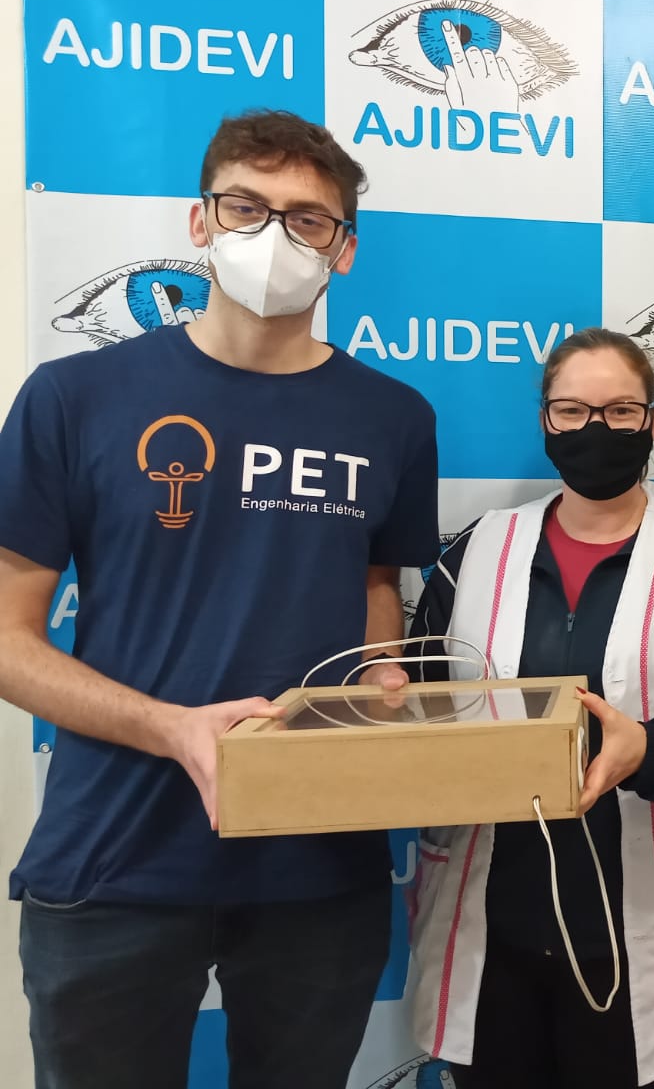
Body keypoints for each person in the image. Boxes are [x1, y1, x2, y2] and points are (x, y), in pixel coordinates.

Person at [0, 109, 440, 1088]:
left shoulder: (395, 419)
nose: (273, 235)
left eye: (307, 218)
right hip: (116, 854)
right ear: (200, 222)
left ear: (343, 250)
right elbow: (6, 637)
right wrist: (172, 728)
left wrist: (381, 681)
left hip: (318, 863)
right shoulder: (73, 398)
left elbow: (378, 583)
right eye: (246, 207)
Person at [405, 327, 654, 1089]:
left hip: (634, 930)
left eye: (620, 411)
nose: (596, 429)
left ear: (653, 421)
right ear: (544, 421)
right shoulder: (479, 551)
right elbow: (420, 710)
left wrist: (651, 751)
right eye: (573, 411)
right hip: (492, 926)